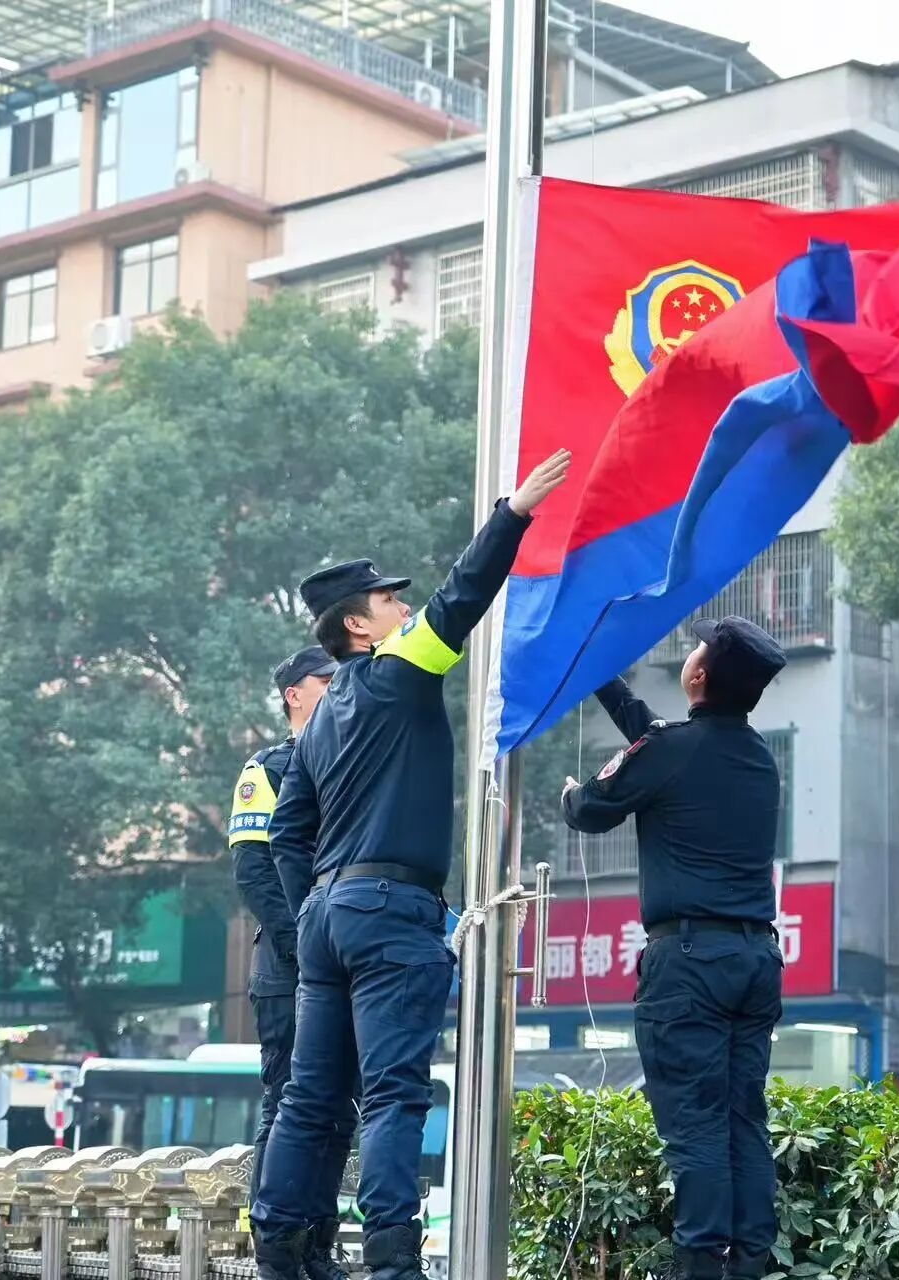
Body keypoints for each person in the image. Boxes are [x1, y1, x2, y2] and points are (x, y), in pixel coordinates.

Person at [250, 449, 572, 1280]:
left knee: (309, 1100)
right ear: (359, 625)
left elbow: (289, 835)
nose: (404, 605)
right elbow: (463, 598)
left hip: (326, 919)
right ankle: (394, 1263)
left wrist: (306, 926)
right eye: (390, 599)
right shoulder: (397, 672)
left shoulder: (316, 724)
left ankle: (281, 1247)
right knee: (394, 1093)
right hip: (392, 916)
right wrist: (514, 513)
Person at [560, 616, 789, 1280]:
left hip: (688, 967)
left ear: (697, 675)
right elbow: (654, 737)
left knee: (694, 1127)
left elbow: (594, 809)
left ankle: (699, 1266)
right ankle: (746, 1264)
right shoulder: (758, 758)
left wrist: (573, 793)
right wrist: (599, 674)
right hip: (754, 962)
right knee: (743, 1120)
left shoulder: (674, 751)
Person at [227, 644, 347, 1279]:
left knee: (340, 1109)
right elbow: (254, 871)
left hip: (342, 962)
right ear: (294, 694)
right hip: (289, 968)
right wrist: (307, 949)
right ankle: (273, 1242)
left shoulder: (351, 761)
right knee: (289, 1100)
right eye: (326, 681)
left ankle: (321, 1242)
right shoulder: (268, 767)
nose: (338, 688)